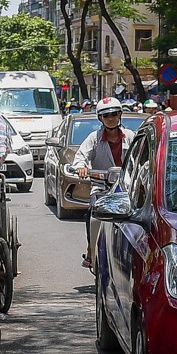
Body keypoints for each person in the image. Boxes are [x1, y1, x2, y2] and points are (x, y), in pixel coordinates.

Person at [76, 98, 131, 269]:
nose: (110, 118)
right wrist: (81, 167)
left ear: (120, 115)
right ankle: (92, 252)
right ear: (100, 118)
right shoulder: (94, 138)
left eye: (114, 114)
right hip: (101, 188)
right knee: (93, 216)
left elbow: (143, 158)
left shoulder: (130, 136)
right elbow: (80, 156)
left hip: (127, 188)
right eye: (106, 115)